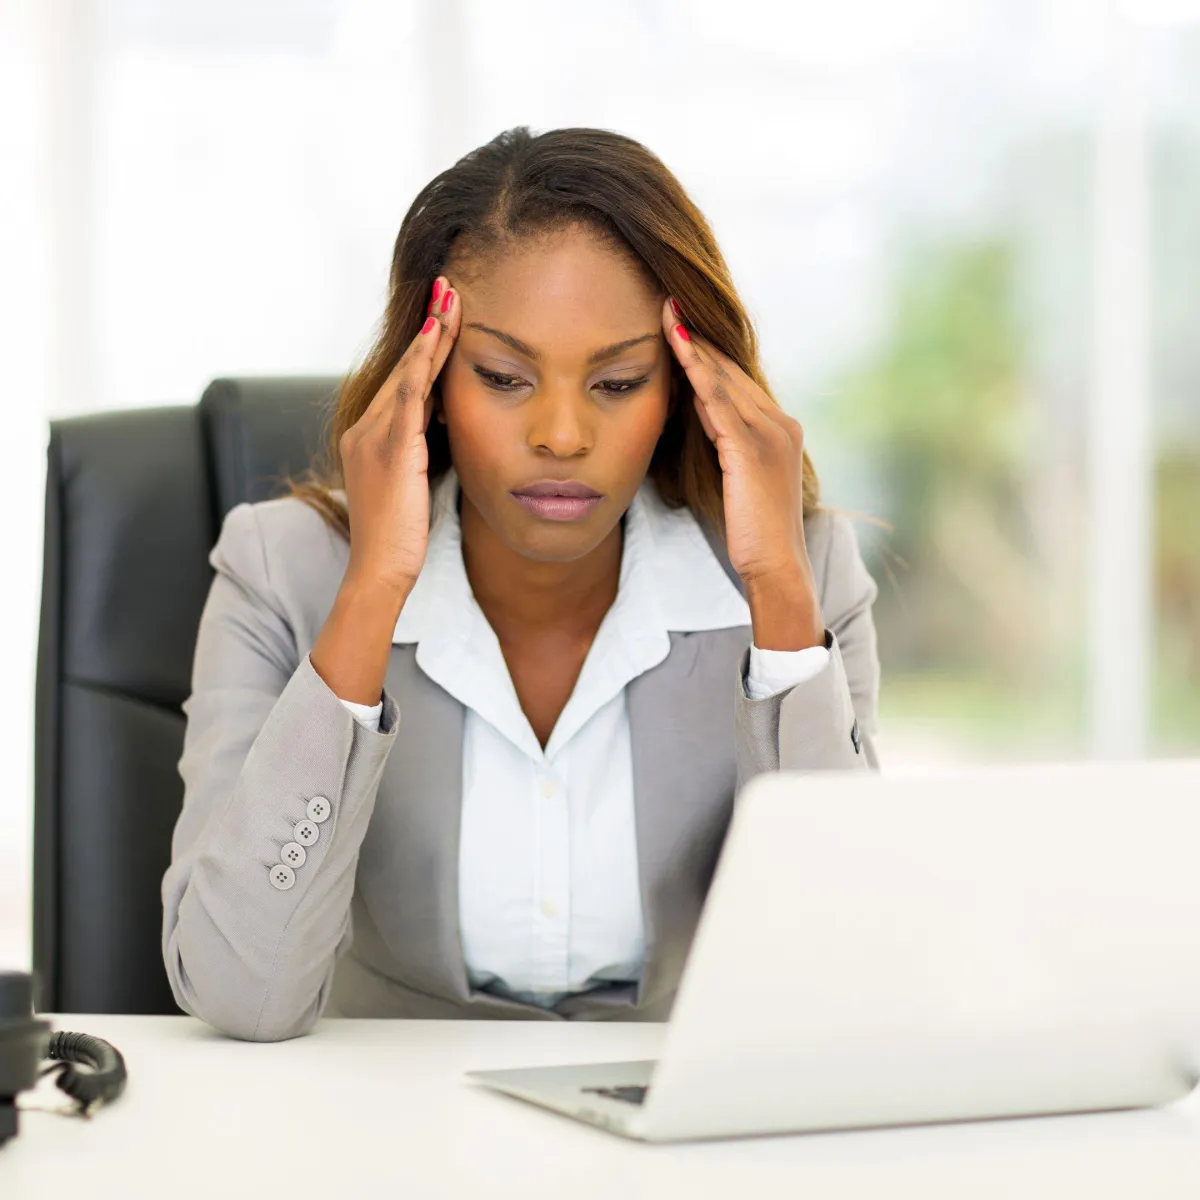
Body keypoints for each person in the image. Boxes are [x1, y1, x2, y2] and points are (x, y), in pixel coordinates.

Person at [160, 125, 880, 1042]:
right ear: (428, 379)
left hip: (679, 1125)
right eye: (503, 376)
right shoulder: (282, 568)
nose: (561, 435)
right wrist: (372, 595)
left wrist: (777, 597)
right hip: (375, 1130)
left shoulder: (802, 573)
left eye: (618, 383)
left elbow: (843, 976)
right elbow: (236, 991)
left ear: (685, 392)